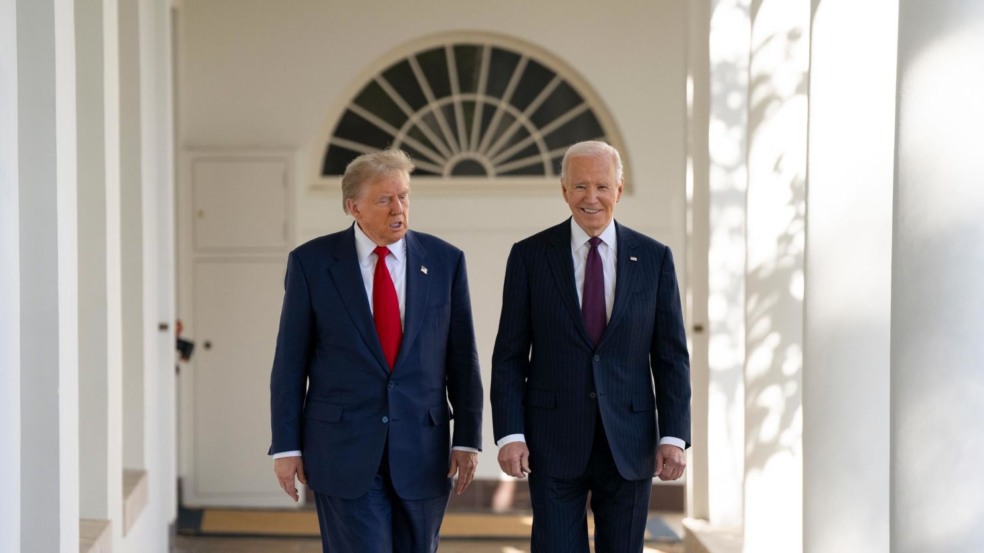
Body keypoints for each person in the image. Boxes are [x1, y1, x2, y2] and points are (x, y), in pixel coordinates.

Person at [269, 149, 483, 553]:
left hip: (423, 449)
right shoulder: (312, 264)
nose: (398, 208)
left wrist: (468, 439)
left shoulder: (445, 261)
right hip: (342, 452)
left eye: (403, 196)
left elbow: (462, 359)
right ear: (354, 207)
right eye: (384, 199)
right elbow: (290, 363)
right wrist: (286, 445)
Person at [490, 141, 691, 552]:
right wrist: (510, 433)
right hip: (552, 441)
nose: (591, 198)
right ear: (564, 191)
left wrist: (674, 435)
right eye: (580, 186)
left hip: (631, 442)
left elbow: (671, 358)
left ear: (619, 189)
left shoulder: (654, 259)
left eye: (602, 186)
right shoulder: (529, 257)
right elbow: (510, 355)